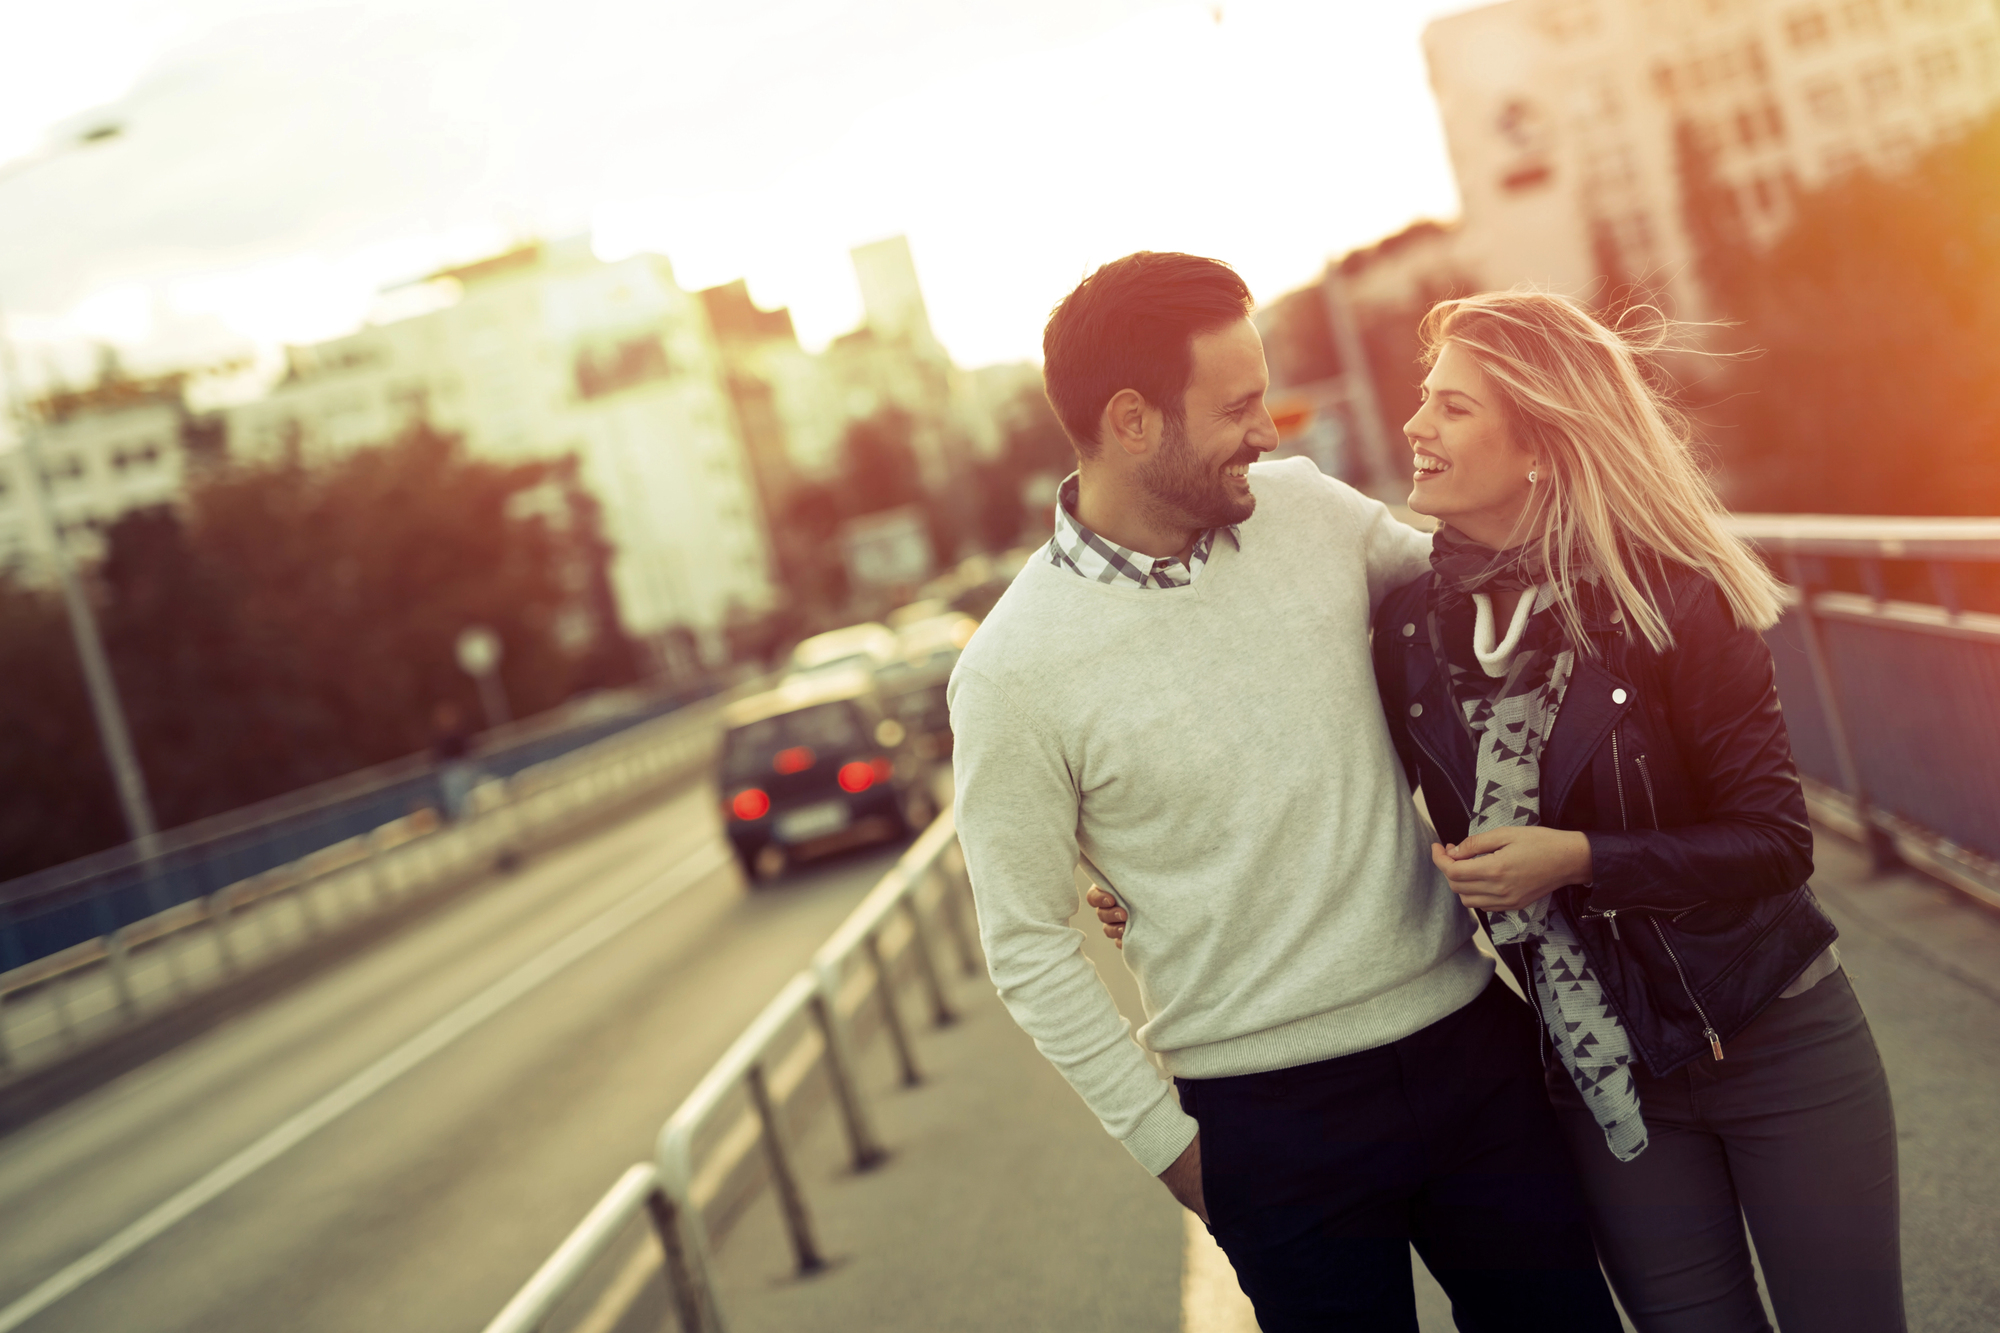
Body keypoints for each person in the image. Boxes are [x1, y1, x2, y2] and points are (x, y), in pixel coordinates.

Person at [1094, 290, 1904, 1332]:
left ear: (1539, 444)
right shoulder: (1407, 635)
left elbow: (1775, 843)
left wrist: (1578, 859)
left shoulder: (1671, 596)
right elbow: (1304, 772)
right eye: (1425, 401)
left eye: (1452, 408)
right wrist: (1149, 881)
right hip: (1600, 1076)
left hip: (1775, 1036)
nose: (1414, 430)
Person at [949, 252, 1621, 1331]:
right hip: (1267, 1128)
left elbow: (1498, 596)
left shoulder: (1309, 512)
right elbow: (1025, 940)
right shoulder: (1010, 672)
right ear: (1130, 422)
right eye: (1238, 405)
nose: (1269, 432)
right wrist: (1176, 1154)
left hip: (1467, 1053)